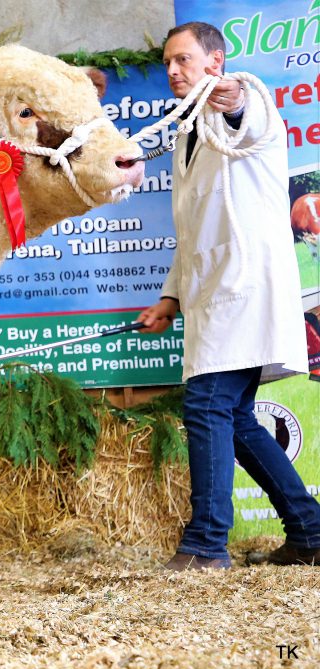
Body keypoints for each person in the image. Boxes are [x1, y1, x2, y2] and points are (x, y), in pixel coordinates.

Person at [137, 21, 320, 570]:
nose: (173, 71)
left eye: (184, 60)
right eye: (168, 62)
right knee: (234, 417)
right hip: (212, 295)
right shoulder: (187, 134)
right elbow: (192, 230)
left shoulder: (245, 108)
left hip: (246, 289)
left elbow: (246, 110)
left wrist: (232, 94)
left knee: (209, 406)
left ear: (215, 62)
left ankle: (205, 544)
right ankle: (310, 532)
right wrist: (169, 298)